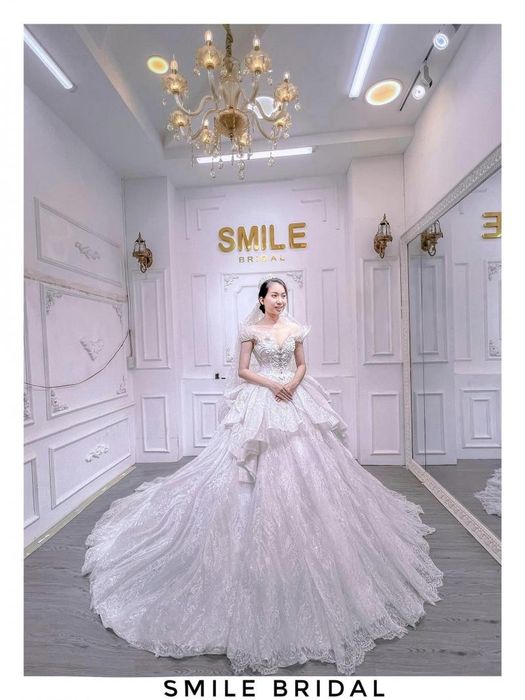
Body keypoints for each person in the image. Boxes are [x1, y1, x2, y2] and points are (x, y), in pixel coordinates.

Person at [82, 274, 444, 676]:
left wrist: (292, 383)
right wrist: (272, 384)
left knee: (316, 469)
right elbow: (242, 370)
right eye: (274, 295)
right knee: (246, 467)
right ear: (261, 299)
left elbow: (303, 364)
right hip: (262, 398)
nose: (280, 300)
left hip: (294, 396)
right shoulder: (250, 330)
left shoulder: (296, 328)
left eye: (283, 295)